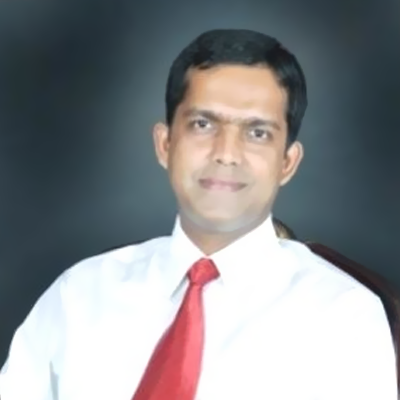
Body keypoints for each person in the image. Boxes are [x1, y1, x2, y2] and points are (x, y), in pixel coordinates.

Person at [0, 29, 397, 400]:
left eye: (257, 132)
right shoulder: (77, 296)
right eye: (203, 124)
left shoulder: (344, 316)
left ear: (287, 163)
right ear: (165, 144)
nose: (226, 153)